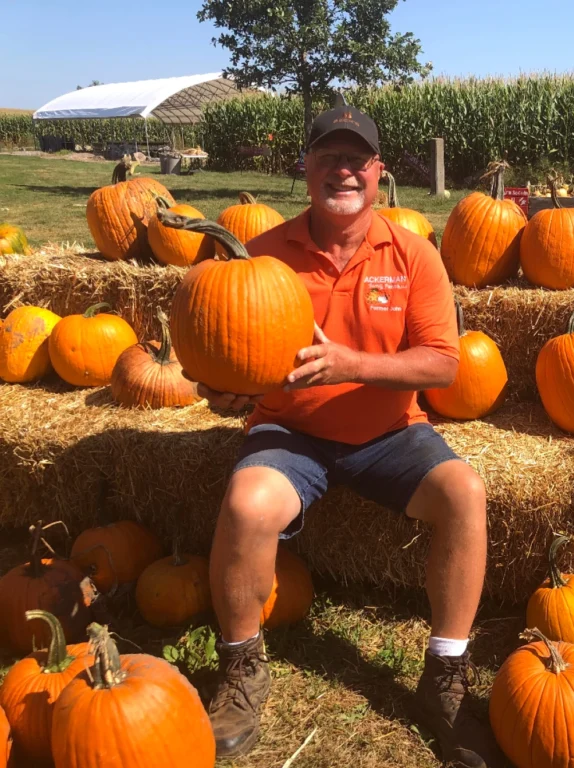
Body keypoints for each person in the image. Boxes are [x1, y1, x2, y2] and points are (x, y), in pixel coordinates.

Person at [200, 104, 497, 768]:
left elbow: (445, 363)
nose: (343, 170)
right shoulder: (262, 254)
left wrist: (351, 364)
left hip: (390, 432)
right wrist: (223, 394)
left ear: (377, 172)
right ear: (306, 168)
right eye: (328, 157)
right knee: (248, 505)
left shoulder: (412, 253)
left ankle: (445, 674)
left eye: (356, 159)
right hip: (290, 431)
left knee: (464, 493)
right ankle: (242, 669)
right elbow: (227, 355)